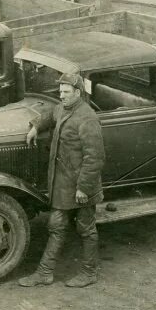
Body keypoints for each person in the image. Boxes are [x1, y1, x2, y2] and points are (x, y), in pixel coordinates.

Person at [20, 72, 105, 288]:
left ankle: (89, 273)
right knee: (56, 225)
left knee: (86, 228)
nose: (62, 95)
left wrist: (84, 188)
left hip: (81, 185)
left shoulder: (87, 118)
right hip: (64, 183)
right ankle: (44, 273)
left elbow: (95, 157)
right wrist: (35, 126)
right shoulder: (63, 107)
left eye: (66, 92)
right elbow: (51, 115)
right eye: (60, 92)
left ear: (78, 93)